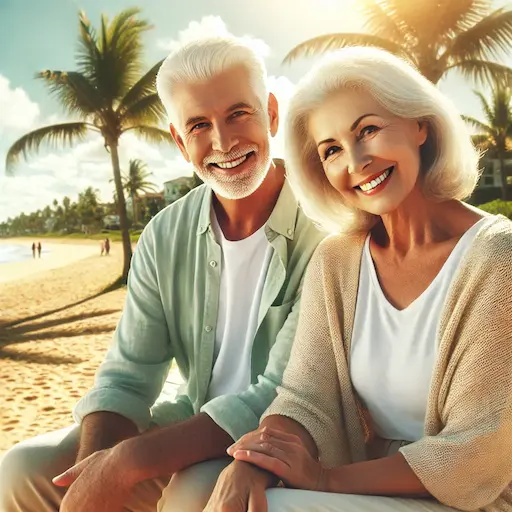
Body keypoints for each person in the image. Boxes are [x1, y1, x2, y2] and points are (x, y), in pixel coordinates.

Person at [173, 47, 512, 511]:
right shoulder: (338, 260)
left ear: (420, 124)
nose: (355, 162)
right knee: (196, 488)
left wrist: (325, 480)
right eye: (331, 150)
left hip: (472, 499)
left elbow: (477, 452)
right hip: (362, 487)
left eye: (368, 130)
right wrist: (253, 461)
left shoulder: (498, 256)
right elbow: (304, 400)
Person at [0, 36, 324, 512]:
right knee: (22, 471)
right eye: (198, 125)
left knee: (193, 492)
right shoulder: (163, 234)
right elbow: (128, 377)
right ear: (178, 139)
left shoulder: (324, 228)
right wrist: (92, 471)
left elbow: (282, 392)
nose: (223, 141)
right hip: (188, 421)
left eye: (239, 113)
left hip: (281, 438)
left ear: (272, 114)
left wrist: (125, 464)